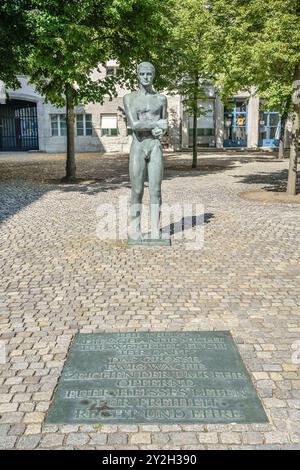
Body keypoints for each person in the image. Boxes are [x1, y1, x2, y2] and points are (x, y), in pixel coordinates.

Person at [123, 62, 168, 241]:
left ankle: (156, 229)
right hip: (138, 146)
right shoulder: (129, 98)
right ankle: (135, 228)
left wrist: (162, 129)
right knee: (137, 189)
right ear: (137, 75)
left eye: (149, 74)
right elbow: (135, 125)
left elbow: (164, 125)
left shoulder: (161, 99)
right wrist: (157, 125)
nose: (146, 77)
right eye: (142, 74)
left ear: (154, 75)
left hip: (155, 146)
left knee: (156, 190)